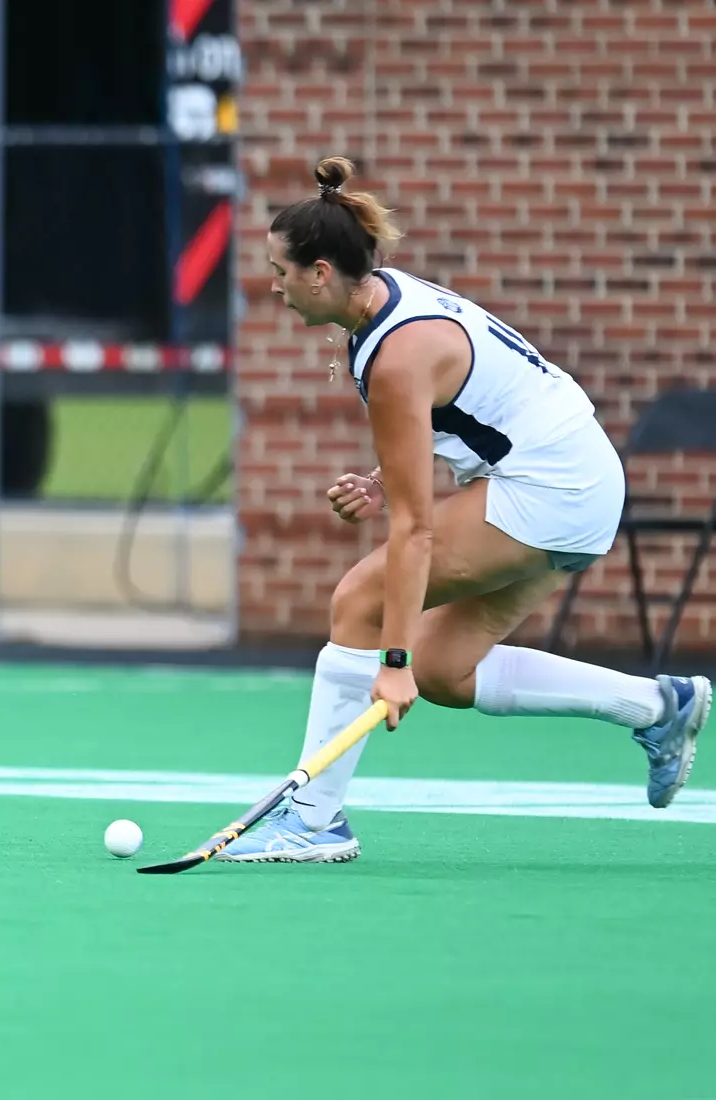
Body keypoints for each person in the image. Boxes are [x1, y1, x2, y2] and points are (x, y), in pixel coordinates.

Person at [218, 156, 708, 863]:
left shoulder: (392, 359)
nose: (275, 287)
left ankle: (314, 820)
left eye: (281, 272)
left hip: (554, 487)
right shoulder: (386, 298)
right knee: (447, 670)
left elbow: (415, 531)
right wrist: (387, 476)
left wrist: (390, 660)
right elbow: (471, 409)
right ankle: (660, 708)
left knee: (361, 597)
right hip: (576, 478)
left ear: (321, 273)